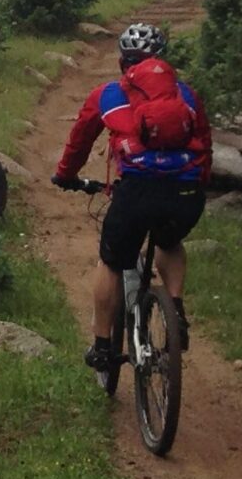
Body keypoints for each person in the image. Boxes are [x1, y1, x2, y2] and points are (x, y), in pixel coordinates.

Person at [52, 21, 213, 379]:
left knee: (111, 261)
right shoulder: (186, 96)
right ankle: (176, 311)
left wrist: (66, 175)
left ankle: (104, 346)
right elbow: (204, 143)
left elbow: (80, 140)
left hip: (137, 191)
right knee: (170, 241)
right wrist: (198, 183)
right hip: (186, 194)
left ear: (124, 62)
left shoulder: (106, 95)